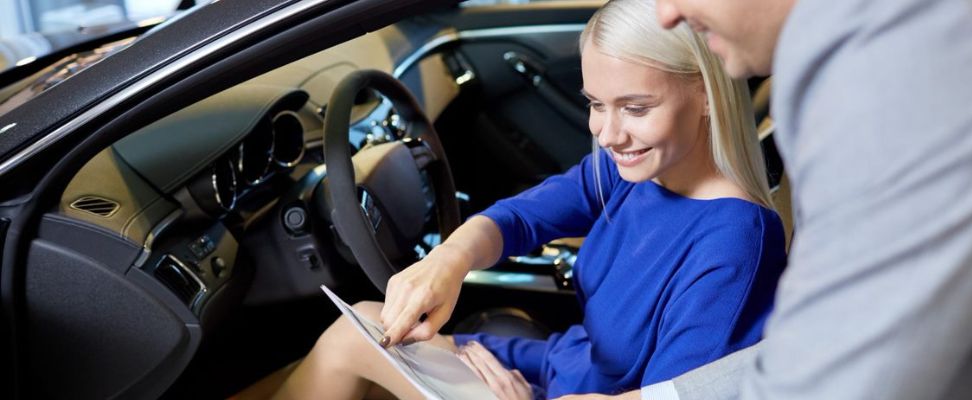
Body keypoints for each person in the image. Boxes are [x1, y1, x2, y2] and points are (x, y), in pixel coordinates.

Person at [267, 0, 788, 398]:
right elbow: (520, 217)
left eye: (635, 107)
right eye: (596, 104)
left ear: (704, 95)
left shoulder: (736, 244)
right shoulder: (633, 170)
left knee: (350, 342)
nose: (608, 134)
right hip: (561, 363)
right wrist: (448, 261)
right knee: (361, 321)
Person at [561, 0, 972, 398]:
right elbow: (819, 336)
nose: (668, 12)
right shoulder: (842, 64)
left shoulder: (904, 75)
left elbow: (832, 373)